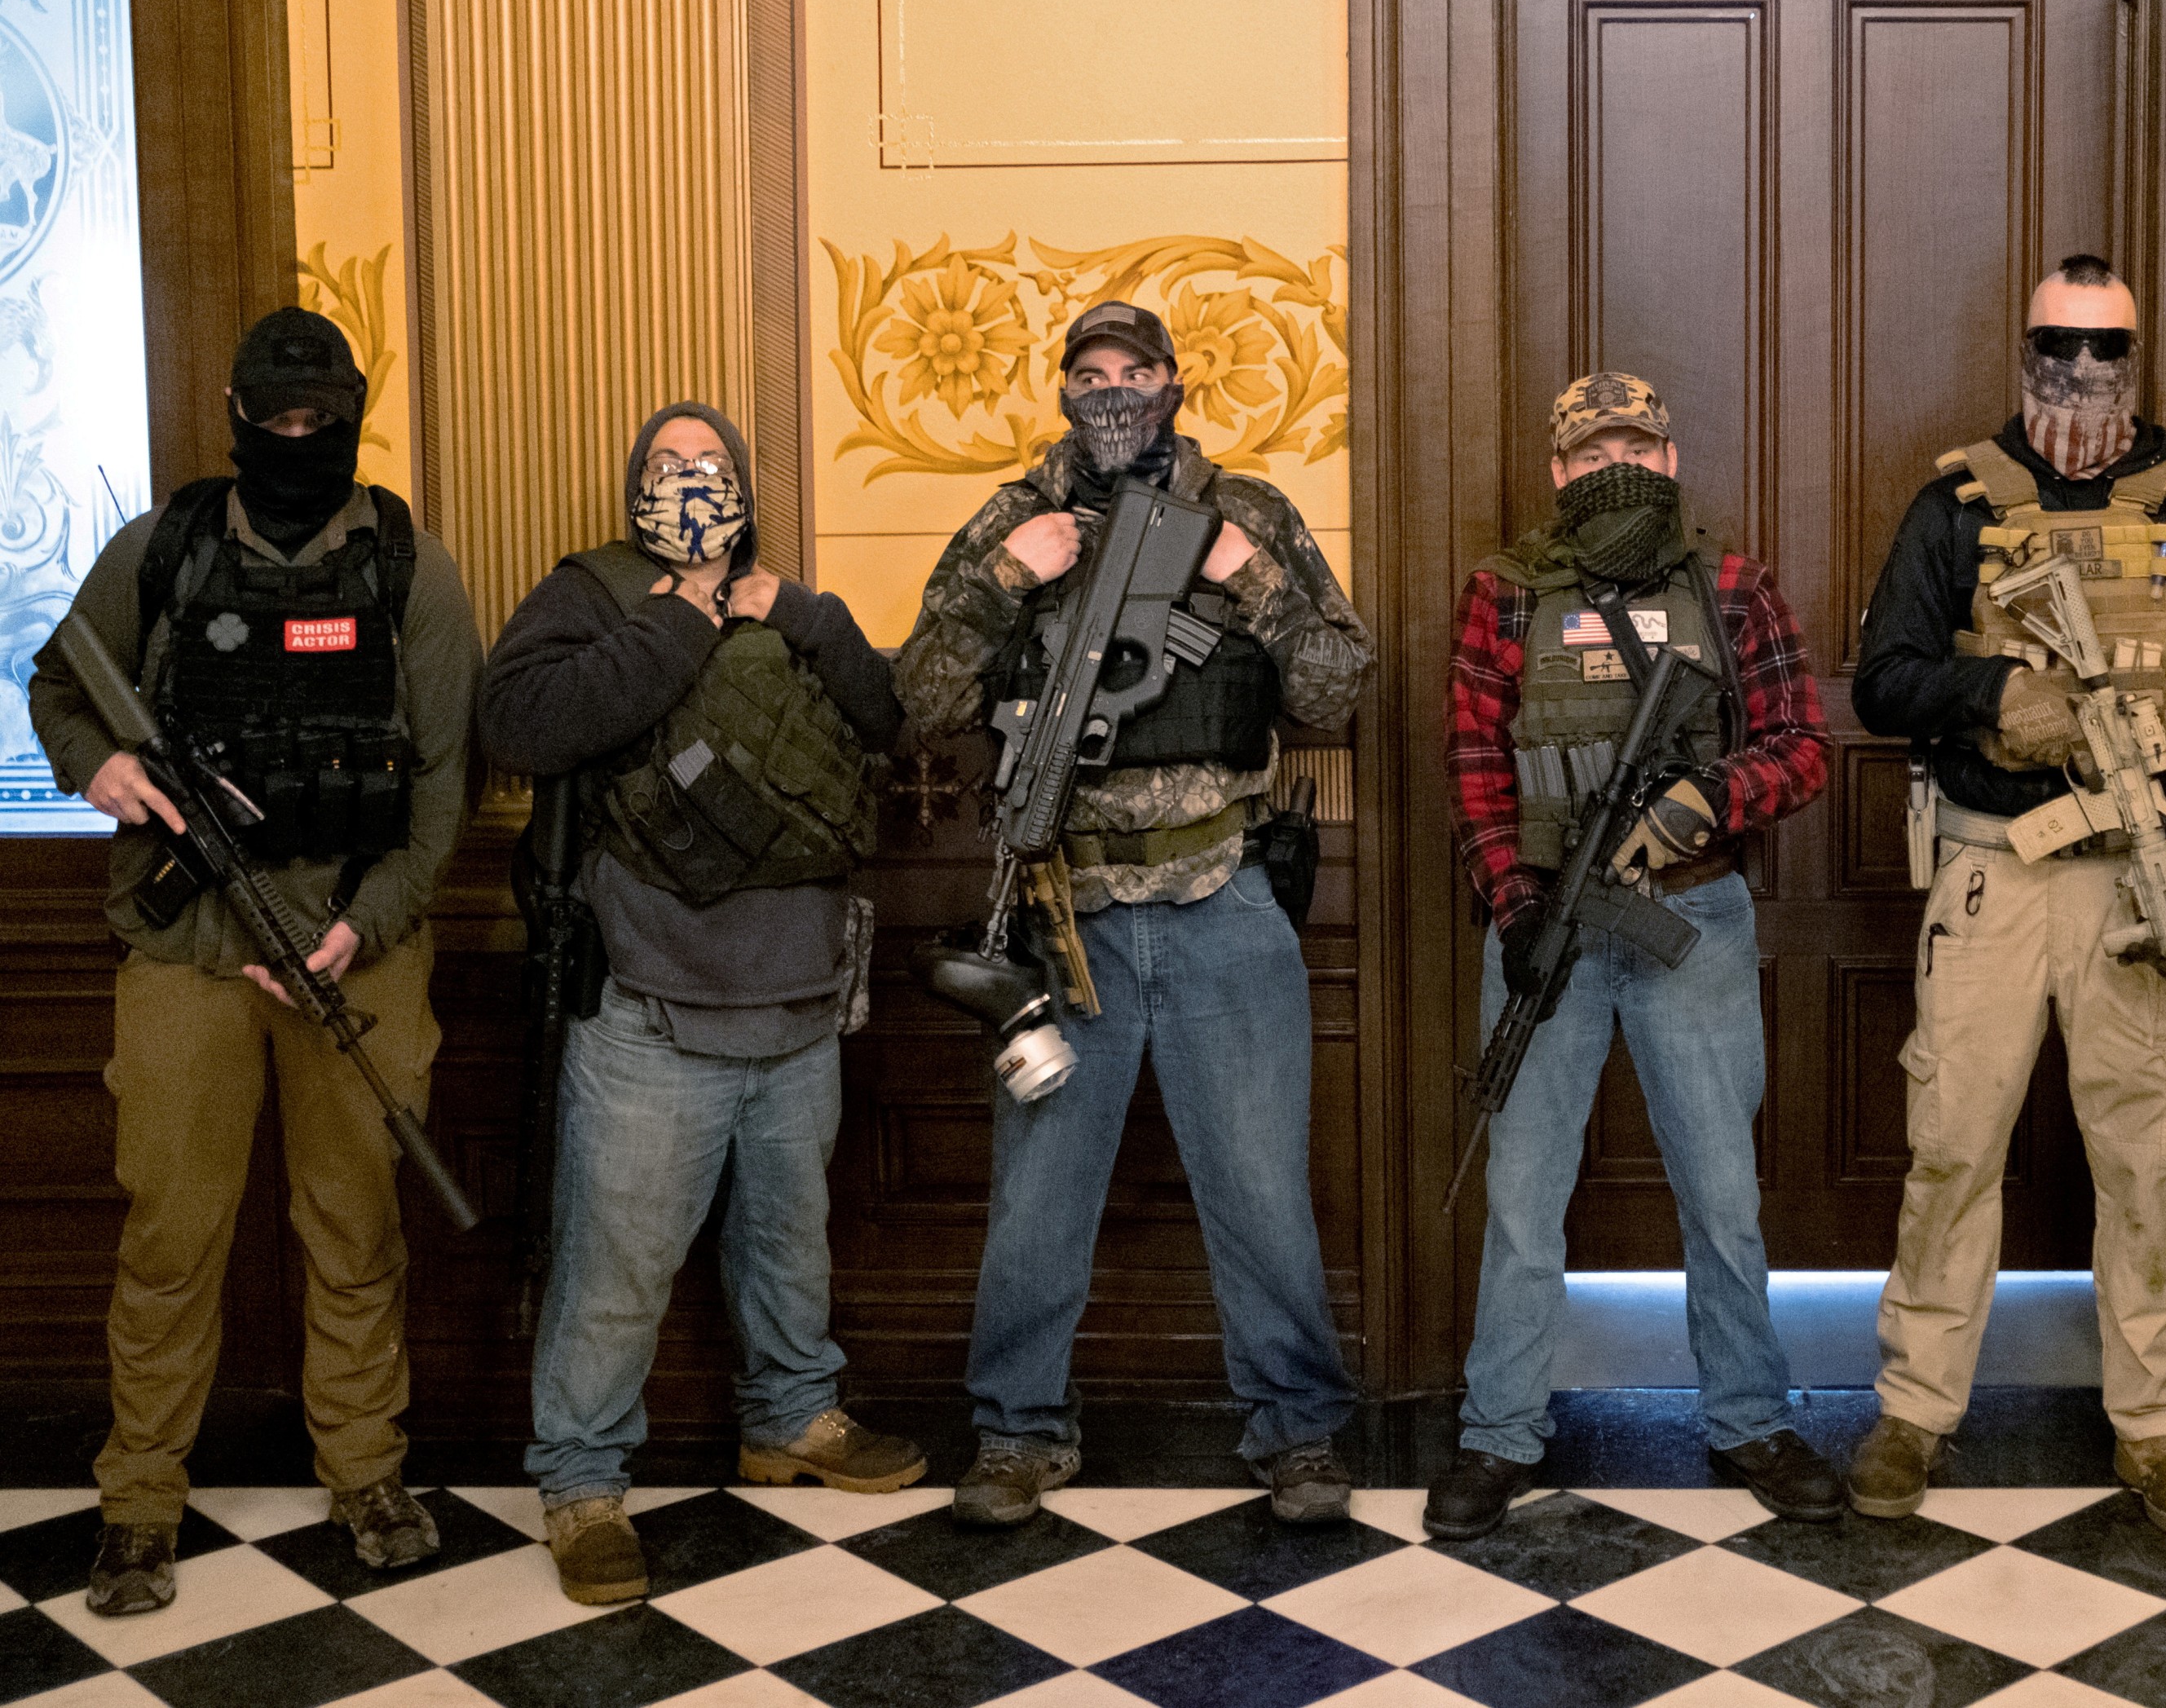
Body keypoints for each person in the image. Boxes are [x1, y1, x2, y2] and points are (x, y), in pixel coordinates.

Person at [30, 308, 482, 1616]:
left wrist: (366, 923)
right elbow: (61, 679)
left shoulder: (404, 561)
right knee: (172, 1236)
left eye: (318, 420)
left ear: (349, 413)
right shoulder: (166, 545)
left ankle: (368, 1475)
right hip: (186, 954)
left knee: (355, 1228)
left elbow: (446, 776)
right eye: (274, 422)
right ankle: (139, 1505)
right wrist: (94, 762)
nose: (297, 441)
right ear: (237, 420)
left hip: (356, 949)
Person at [898, 300, 1373, 1529]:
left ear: (1174, 380)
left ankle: (1301, 1433)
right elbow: (920, 691)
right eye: (1088, 373)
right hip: (1070, 917)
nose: (1112, 391)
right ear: (1064, 388)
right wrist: (1016, 571)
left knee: (1264, 1188)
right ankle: (1016, 1432)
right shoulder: (1018, 515)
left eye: (1135, 370)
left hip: (1224, 898)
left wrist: (1243, 573)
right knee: (1039, 1196)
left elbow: (1338, 682)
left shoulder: (1249, 511)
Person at [1846, 257, 2166, 1537]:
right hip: (1991, 871)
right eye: (2057, 345)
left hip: (2128, 885)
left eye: (2108, 349)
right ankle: (1915, 1409)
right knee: (1953, 1144)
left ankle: (2157, 1428)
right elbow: (1883, 681)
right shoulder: (1957, 507)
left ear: (2139, 357)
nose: (2083, 373)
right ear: (2022, 348)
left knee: (2145, 1161)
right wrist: (1991, 698)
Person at [479, 403, 918, 1605]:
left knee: (790, 1237)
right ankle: (580, 1481)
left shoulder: (792, 599)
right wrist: (678, 616)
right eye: (667, 465)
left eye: (711, 464)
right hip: (649, 1003)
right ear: (634, 484)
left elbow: (892, 720)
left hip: (798, 990)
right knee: (616, 1259)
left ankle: (792, 1418)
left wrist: (814, 619)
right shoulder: (594, 590)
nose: (690, 480)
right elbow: (518, 721)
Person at [1423, 373, 1841, 1538]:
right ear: (1557, 470)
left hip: (1689, 920)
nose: (1617, 465)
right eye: (1592, 448)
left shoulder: (1731, 585)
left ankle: (1749, 1417)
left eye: (1638, 446)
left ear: (1670, 458)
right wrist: (1515, 905)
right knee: (1519, 1200)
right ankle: (1499, 1430)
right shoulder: (1505, 592)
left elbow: (1803, 745)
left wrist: (1712, 794)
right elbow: (1475, 761)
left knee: (1723, 1195)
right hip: (1548, 919)